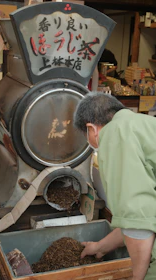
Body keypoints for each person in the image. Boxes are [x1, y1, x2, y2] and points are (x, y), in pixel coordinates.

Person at [73, 91, 156, 280]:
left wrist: (137, 277)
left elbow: (137, 220)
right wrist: (99, 247)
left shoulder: (114, 133)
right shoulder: (142, 124)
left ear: (91, 128)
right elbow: (136, 221)